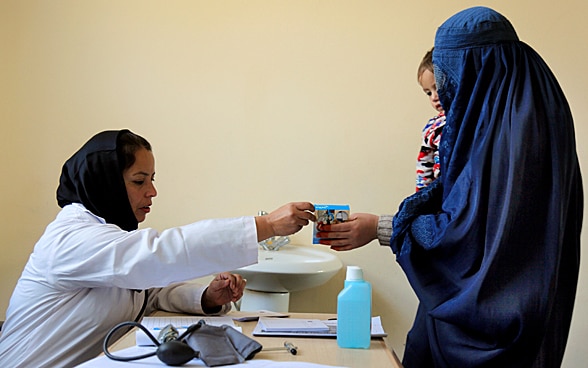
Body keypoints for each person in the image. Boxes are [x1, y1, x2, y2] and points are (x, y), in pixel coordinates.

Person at [316, 6, 583, 367]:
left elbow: (464, 235)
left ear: (475, 69)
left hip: (488, 330)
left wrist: (383, 226)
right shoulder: (528, 106)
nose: (444, 91)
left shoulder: (509, 136)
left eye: (449, 77)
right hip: (522, 316)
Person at [0, 129, 316, 367]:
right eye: (139, 181)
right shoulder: (69, 240)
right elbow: (158, 254)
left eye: (152, 179)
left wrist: (206, 297)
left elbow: (146, 292)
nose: (152, 192)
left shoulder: (109, 234)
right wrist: (266, 226)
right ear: (105, 183)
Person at [416, 47, 446, 191]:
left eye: (438, 88)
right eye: (428, 92)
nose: (434, 97)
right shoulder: (433, 128)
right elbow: (424, 164)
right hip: (439, 192)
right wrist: (421, 197)